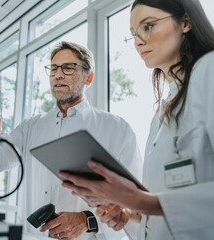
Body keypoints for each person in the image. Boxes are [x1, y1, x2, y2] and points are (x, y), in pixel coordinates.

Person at [0, 41, 142, 240]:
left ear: (88, 77)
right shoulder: (31, 127)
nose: (58, 75)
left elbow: (134, 201)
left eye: (68, 68)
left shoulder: (116, 128)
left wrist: (86, 220)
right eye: (54, 68)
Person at [60, 1, 214, 240]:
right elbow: (161, 212)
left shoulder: (209, 69)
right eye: (134, 34)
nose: (138, 41)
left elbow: (160, 203)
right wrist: (129, 216)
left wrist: (139, 200)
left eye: (148, 26)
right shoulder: (164, 108)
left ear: (185, 22)